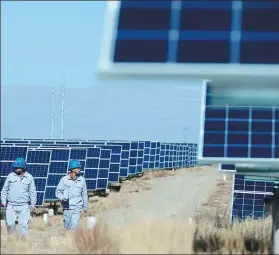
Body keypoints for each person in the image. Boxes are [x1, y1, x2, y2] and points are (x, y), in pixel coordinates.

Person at [1, 157, 37, 236]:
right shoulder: (10, 176)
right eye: (15, 167)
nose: (16, 169)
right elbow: (4, 190)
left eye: (18, 167)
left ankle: (23, 244)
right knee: (10, 224)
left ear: (23, 167)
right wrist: (3, 202)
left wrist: (33, 205)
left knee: (23, 226)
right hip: (11, 205)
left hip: (24, 206)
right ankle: (12, 240)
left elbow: (32, 193)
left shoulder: (29, 177)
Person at [55, 159, 88, 230]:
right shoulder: (64, 180)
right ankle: (67, 240)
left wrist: (85, 207)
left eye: (79, 168)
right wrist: (62, 198)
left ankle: (73, 240)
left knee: (74, 226)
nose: (79, 169)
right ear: (73, 169)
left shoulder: (82, 180)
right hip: (67, 207)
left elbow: (84, 194)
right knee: (67, 226)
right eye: (78, 168)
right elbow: (57, 192)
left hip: (77, 207)